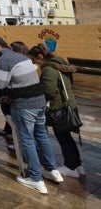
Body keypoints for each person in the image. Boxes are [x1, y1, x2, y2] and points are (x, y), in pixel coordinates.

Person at [0, 35, 63, 194]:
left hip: (24, 106)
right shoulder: (20, 55)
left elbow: (0, 84)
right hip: (39, 101)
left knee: (27, 140)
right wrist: (12, 95)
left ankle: (36, 179)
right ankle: (53, 170)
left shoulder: (4, 59)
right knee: (42, 136)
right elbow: (23, 82)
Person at [28, 44, 85, 179]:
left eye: (34, 60)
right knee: (67, 137)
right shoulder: (60, 64)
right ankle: (77, 165)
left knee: (63, 137)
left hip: (59, 108)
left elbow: (49, 91)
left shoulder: (49, 70)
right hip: (69, 105)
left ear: (40, 57)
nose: (34, 63)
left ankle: (70, 166)